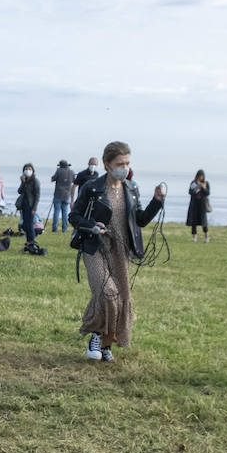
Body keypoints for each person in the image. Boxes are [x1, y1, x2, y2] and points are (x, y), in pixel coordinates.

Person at [68, 141, 165, 362]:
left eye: (128, 163)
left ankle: (106, 343)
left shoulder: (132, 188)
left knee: (121, 297)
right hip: (95, 248)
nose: (125, 167)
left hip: (121, 251)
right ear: (107, 165)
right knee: (108, 293)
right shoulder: (92, 188)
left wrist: (157, 202)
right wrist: (91, 225)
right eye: (120, 163)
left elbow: (140, 219)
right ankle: (96, 334)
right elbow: (73, 217)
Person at [16, 163, 40, 249]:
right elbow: (19, 191)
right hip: (24, 205)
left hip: (31, 205)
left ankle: (31, 240)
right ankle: (28, 240)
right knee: (25, 224)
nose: (28, 170)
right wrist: (23, 182)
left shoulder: (35, 181)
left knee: (29, 224)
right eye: (26, 169)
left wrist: (34, 208)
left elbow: (37, 195)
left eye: (29, 169)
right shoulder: (25, 181)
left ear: (33, 171)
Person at [50, 160, 74, 233]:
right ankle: (64, 229)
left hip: (58, 194)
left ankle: (54, 229)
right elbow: (74, 180)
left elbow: (52, 179)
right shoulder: (71, 172)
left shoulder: (59, 170)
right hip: (67, 195)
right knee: (65, 213)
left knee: (56, 212)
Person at [186, 170, 210, 242]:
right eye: (199, 176)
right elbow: (190, 192)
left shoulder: (206, 183)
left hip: (202, 205)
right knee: (194, 222)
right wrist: (196, 188)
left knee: (204, 222)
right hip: (194, 204)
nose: (200, 178)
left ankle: (206, 237)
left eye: (202, 176)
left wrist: (203, 187)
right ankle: (194, 238)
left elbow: (207, 193)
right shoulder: (193, 183)